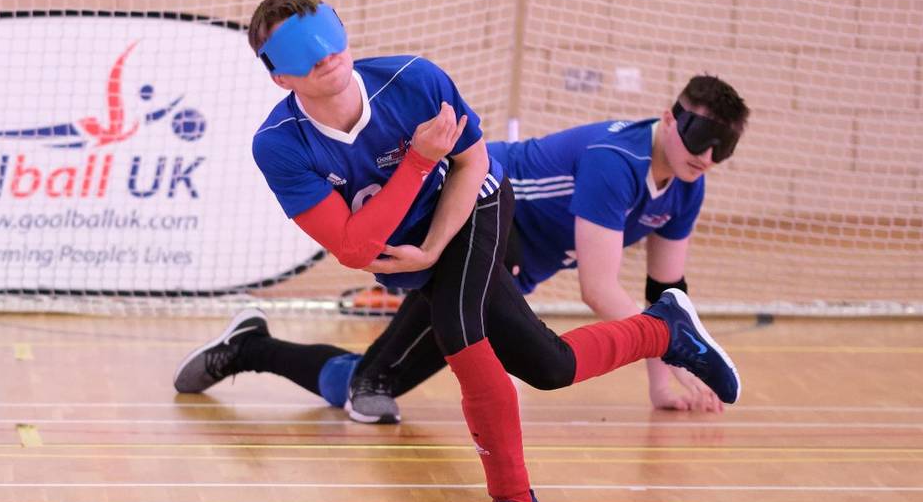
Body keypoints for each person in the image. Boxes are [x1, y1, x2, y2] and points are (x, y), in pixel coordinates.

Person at [204, 0, 740, 502]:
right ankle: (663, 330)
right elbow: (356, 248)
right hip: (410, 258)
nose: (325, 58)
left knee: (461, 332)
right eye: (302, 54)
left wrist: (434, 242)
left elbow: (474, 162)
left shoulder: (414, 80)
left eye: (327, 40)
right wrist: (416, 167)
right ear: (279, 76)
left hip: (474, 206)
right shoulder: (279, 145)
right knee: (546, 365)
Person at [177, 75, 749, 422]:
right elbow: (600, 291)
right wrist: (679, 352)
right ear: (670, 120)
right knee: (537, 364)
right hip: (476, 221)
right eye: (700, 140)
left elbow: (666, 296)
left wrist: (664, 384)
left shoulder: (685, 187)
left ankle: (252, 347)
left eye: (722, 151)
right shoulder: (616, 161)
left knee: (376, 382)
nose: (707, 158)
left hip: (507, 264)